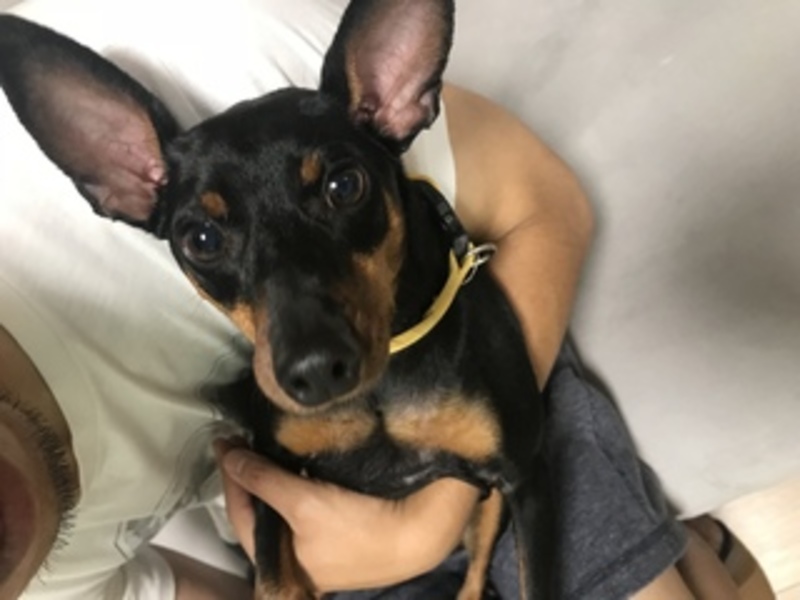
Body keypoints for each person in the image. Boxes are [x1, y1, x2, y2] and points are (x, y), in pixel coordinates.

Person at [0, 0, 772, 599]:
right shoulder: (48, 583)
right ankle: (705, 553)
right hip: (344, 519)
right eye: (205, 241)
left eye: (340, 190)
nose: (306, 352)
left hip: (474, 363)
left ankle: (702, 553)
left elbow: (547, 204)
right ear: (118, 185)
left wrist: (427, 527)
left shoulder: (205, 47)